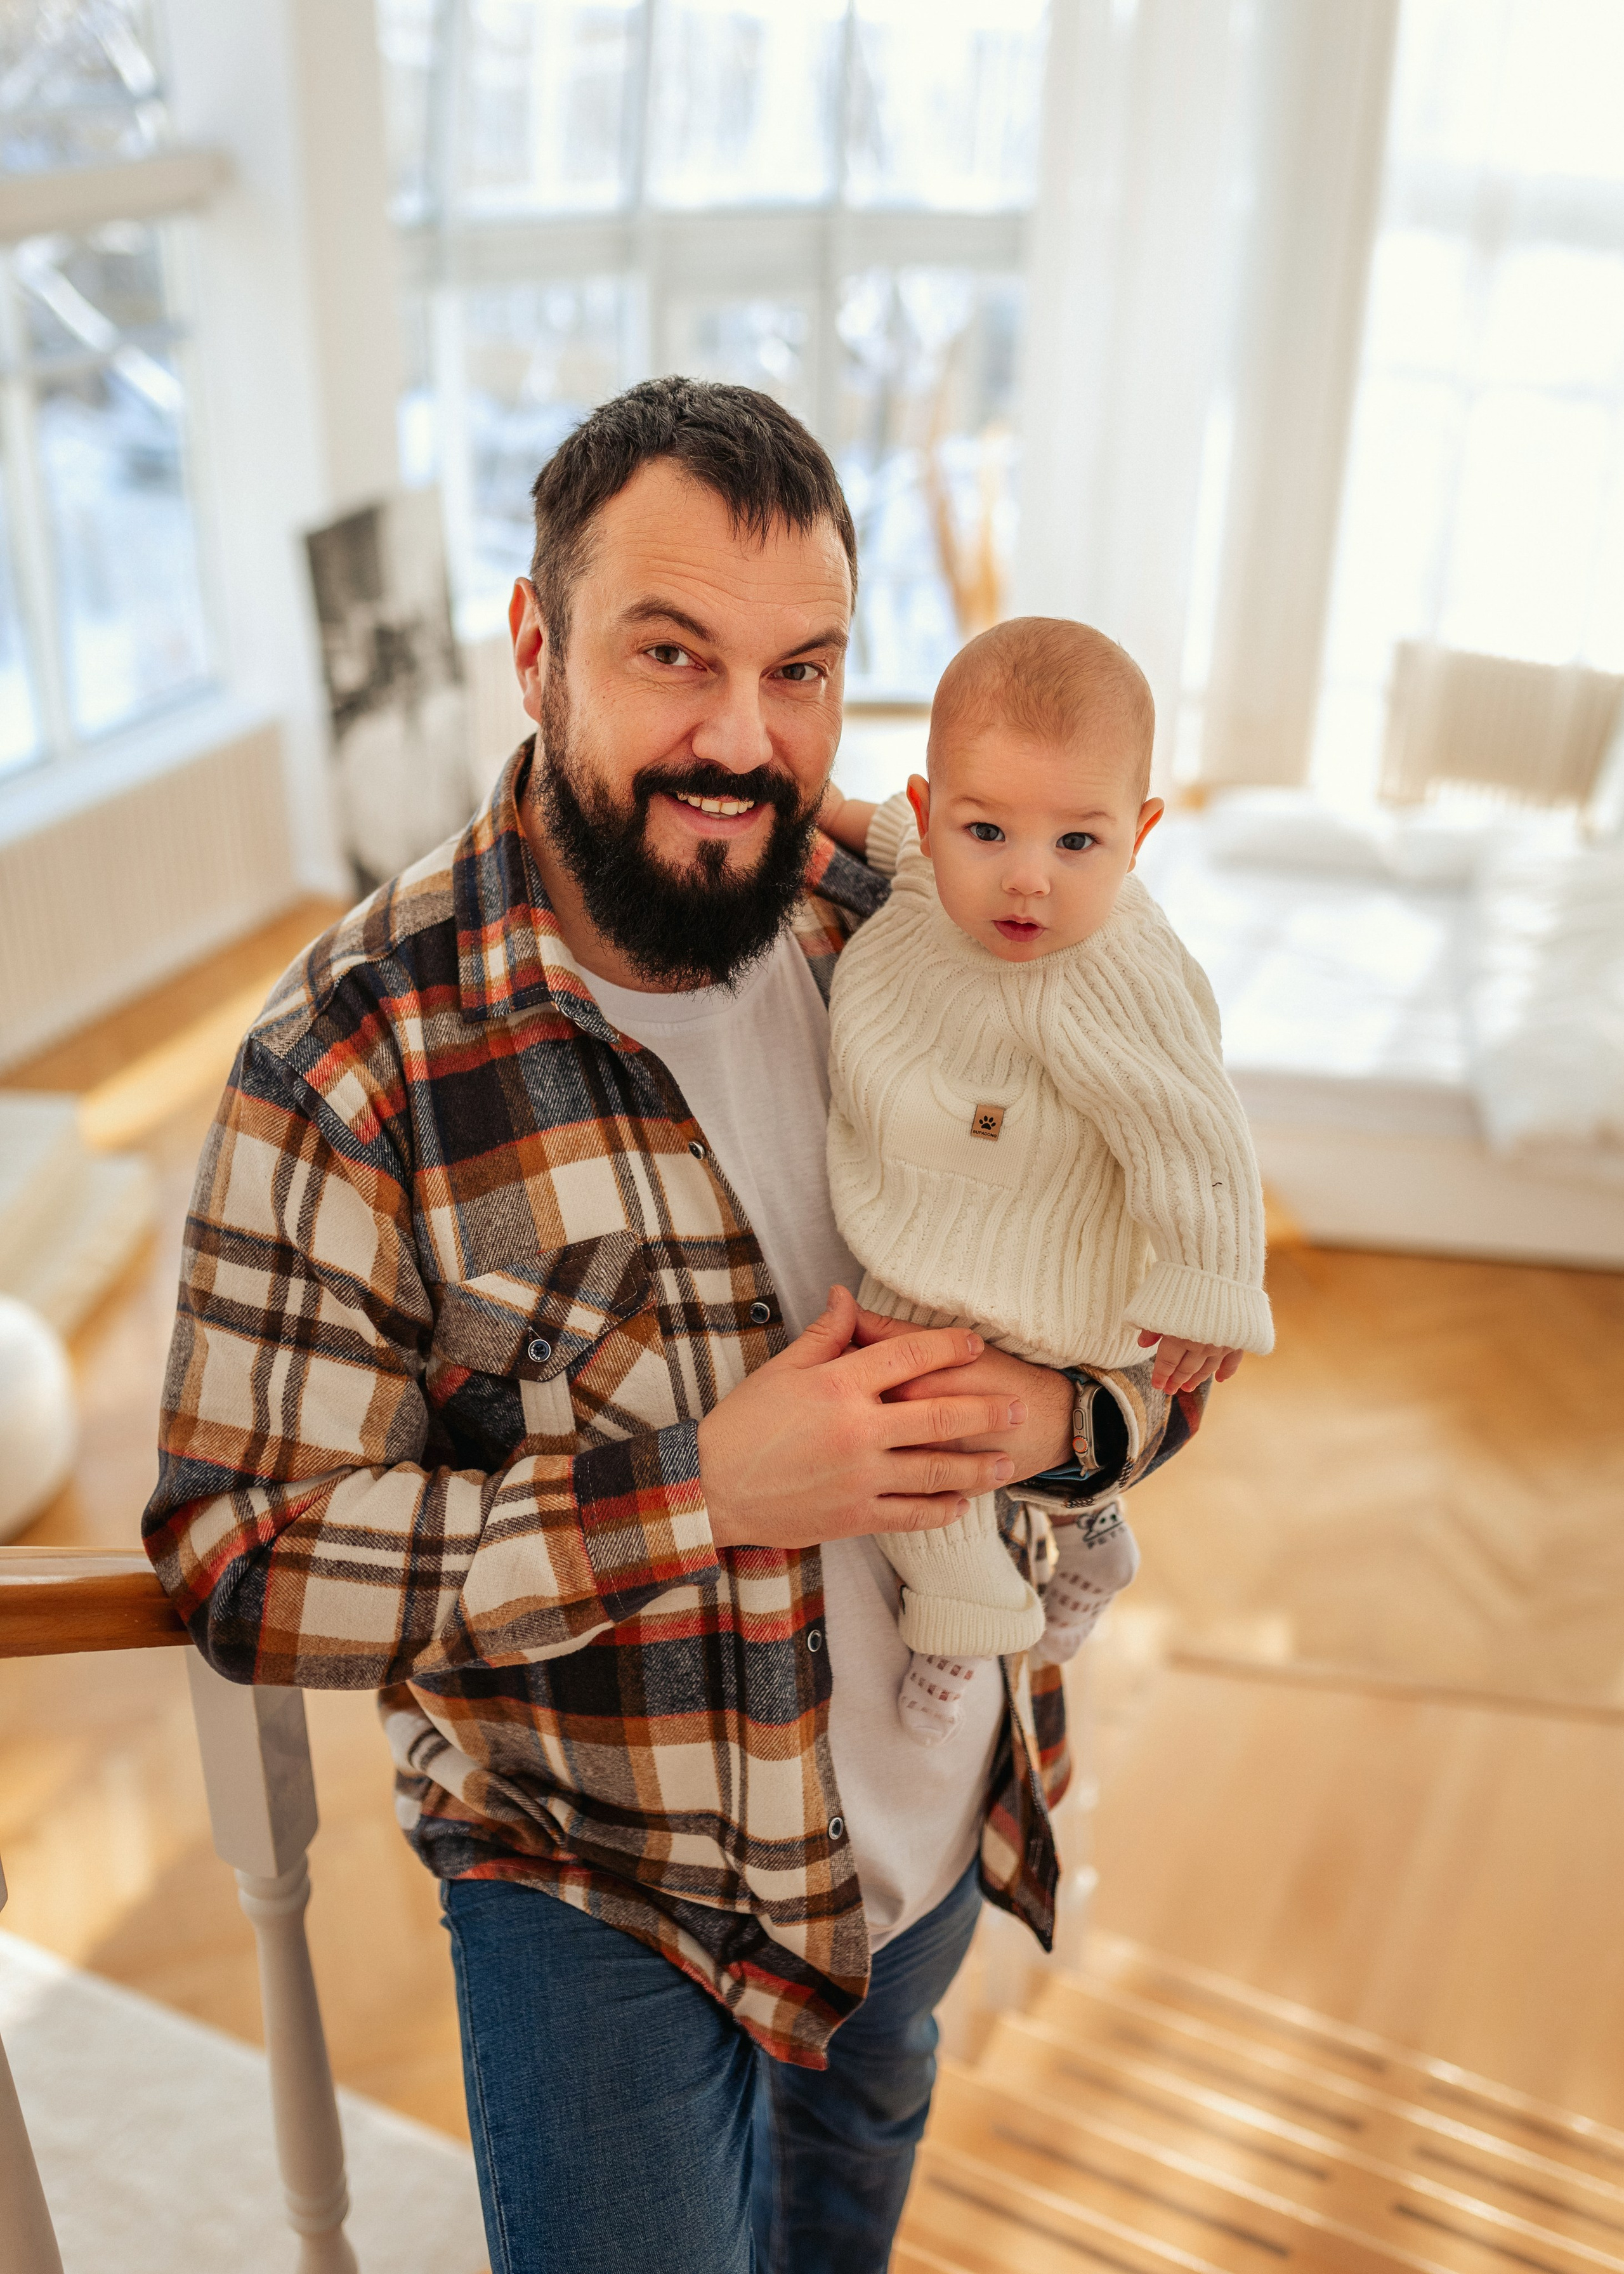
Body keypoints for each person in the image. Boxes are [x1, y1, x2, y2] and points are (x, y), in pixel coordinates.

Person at [143, 379, 1204, 2274]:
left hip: (940, 1821)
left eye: (802, 672)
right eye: (670, 654)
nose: (741, 737)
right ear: (535, 649)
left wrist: (1068, 1422)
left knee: (852, 2177)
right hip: (602, 1885)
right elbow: (241, 1558)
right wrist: (705, 1488)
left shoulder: (932, 924)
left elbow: (1171, 1342)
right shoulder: (349, 1062)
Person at [820, 619, 1274, 1746]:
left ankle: (963, 1618)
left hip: (1043, 1274)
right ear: (933, 814)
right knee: (913, 1425)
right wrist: (820, 808)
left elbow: (1195, 1129)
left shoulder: (1104, 969)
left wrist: (1212, 1287)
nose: (1028, 880)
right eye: (986, 830)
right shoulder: (934, 876)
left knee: (912, 1442)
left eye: (1079, 841)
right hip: (950, 1235)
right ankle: (1093, 1535)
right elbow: (888, 836)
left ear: (1140, 835)